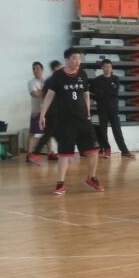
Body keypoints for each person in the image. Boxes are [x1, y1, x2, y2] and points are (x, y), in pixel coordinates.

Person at [38, 47, 103, 195]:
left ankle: (91, 178)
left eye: (79, 58)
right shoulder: (58, 76)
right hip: (65, 120)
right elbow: (49, 96)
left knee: (94, 150)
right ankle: (60, 184)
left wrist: (88, 113)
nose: (77, 61)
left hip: (83, 119)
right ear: (67, 59)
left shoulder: (82, 74)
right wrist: (42, 115)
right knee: (65, 153)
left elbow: (86, 95)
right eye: (74, 58)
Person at [91, 59, 134, 158]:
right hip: (102, 108)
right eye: (105, 67)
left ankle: (124, 151)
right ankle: (106, 149)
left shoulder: (115, 78)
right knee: (103, 130)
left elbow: (114, 92)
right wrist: (102, 93)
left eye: (109, 67)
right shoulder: (97, 80)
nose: (107, 69)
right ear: (102, 68)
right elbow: (94, 93)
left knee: (117, 130)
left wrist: (101, 92)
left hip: (113, 109)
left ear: (111, 68)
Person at [31, 59, 62, 160]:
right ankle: (35, 153)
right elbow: (44, 97)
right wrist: (42, 112)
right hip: (52, 111)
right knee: (48, 133)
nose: (61, 69)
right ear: (55, 69)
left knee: (56, 133)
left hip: (56, 110)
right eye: (59, 68)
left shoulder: (52, 80)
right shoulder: (51, 81)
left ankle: (64, 151)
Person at [26, 61, 49, 165]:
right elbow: (35, 94)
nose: (35, 70)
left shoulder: (47, 81)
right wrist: (45, 91)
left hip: (47, 111)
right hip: (37, 111)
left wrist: (42, 91)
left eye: (37, 68)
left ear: (42, 69)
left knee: (49, 132)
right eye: (33, 69)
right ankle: (29, 154)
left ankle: (51, 152)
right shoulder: (31, 82)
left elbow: (50, 94)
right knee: (33, 133)